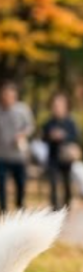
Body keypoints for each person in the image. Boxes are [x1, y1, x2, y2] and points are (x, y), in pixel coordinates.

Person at [0, 80, 36, 214]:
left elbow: (31, 126)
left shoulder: (23, 110)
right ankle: (4, 211)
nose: (7, 99)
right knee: (1, 186)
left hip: (19, 155)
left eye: (10, 96)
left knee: (20, 185)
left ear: (15, 96)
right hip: (2, 155)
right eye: (4, 96)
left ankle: (20, 210)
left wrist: (22, 134)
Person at [41, 92, 81, 210]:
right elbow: (43, 138)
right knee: (53, 183)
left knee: (66, 183)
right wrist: (51, 137)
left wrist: (64, 137)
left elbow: (76, 137)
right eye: (55, 105)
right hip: (53, 157)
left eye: (60, 105)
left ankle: (67, 205)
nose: (57, 107)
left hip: (66, 157)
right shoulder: (48, 122)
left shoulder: (70, 122)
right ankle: (54, 208)